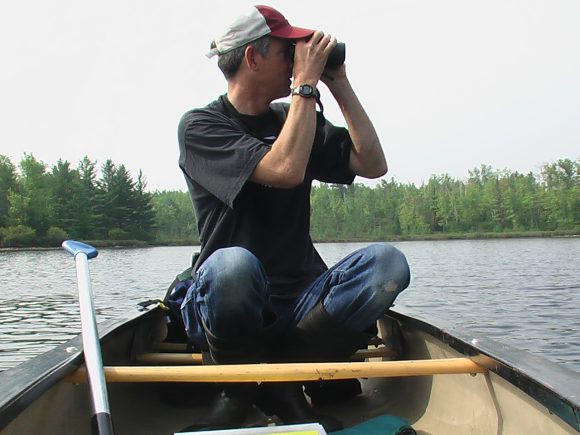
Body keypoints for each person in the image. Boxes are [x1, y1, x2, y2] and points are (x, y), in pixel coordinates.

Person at [177, 5, 411, 431]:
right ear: (252, 58)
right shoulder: (201, 126)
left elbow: (373, 164)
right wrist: (305, 84)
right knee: (233, 264)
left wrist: (337, 83)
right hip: (230, 306)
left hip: (299, 303)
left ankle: (282, 383)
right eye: (289, 51)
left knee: (387, 265)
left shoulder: (293, 118)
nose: (298, 60)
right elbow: (284, 170)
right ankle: (238, 388)